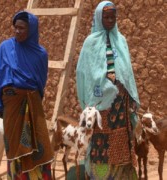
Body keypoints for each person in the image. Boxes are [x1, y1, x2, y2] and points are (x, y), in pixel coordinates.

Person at [76, 1, 140, 179]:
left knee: (121, 145)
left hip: (121, 105)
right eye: (106, 17)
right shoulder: (90, 43)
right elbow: (83, 73)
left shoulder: (121, 40)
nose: (110, 20)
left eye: (113, 17)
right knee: (100, 145)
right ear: (99, 18)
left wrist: (127, 92)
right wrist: (92, 98)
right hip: (100, 107)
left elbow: (127, 72)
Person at [0, 11, 53, 179]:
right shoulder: (5, 48)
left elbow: (41, 82)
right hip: (11, 105)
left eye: (22, 28)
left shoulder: (41, 54)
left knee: (40, 146)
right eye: (15, 28)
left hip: (32, 104)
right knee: (15, 147)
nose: (17, 31)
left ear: (31, 29)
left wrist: (33, 103)